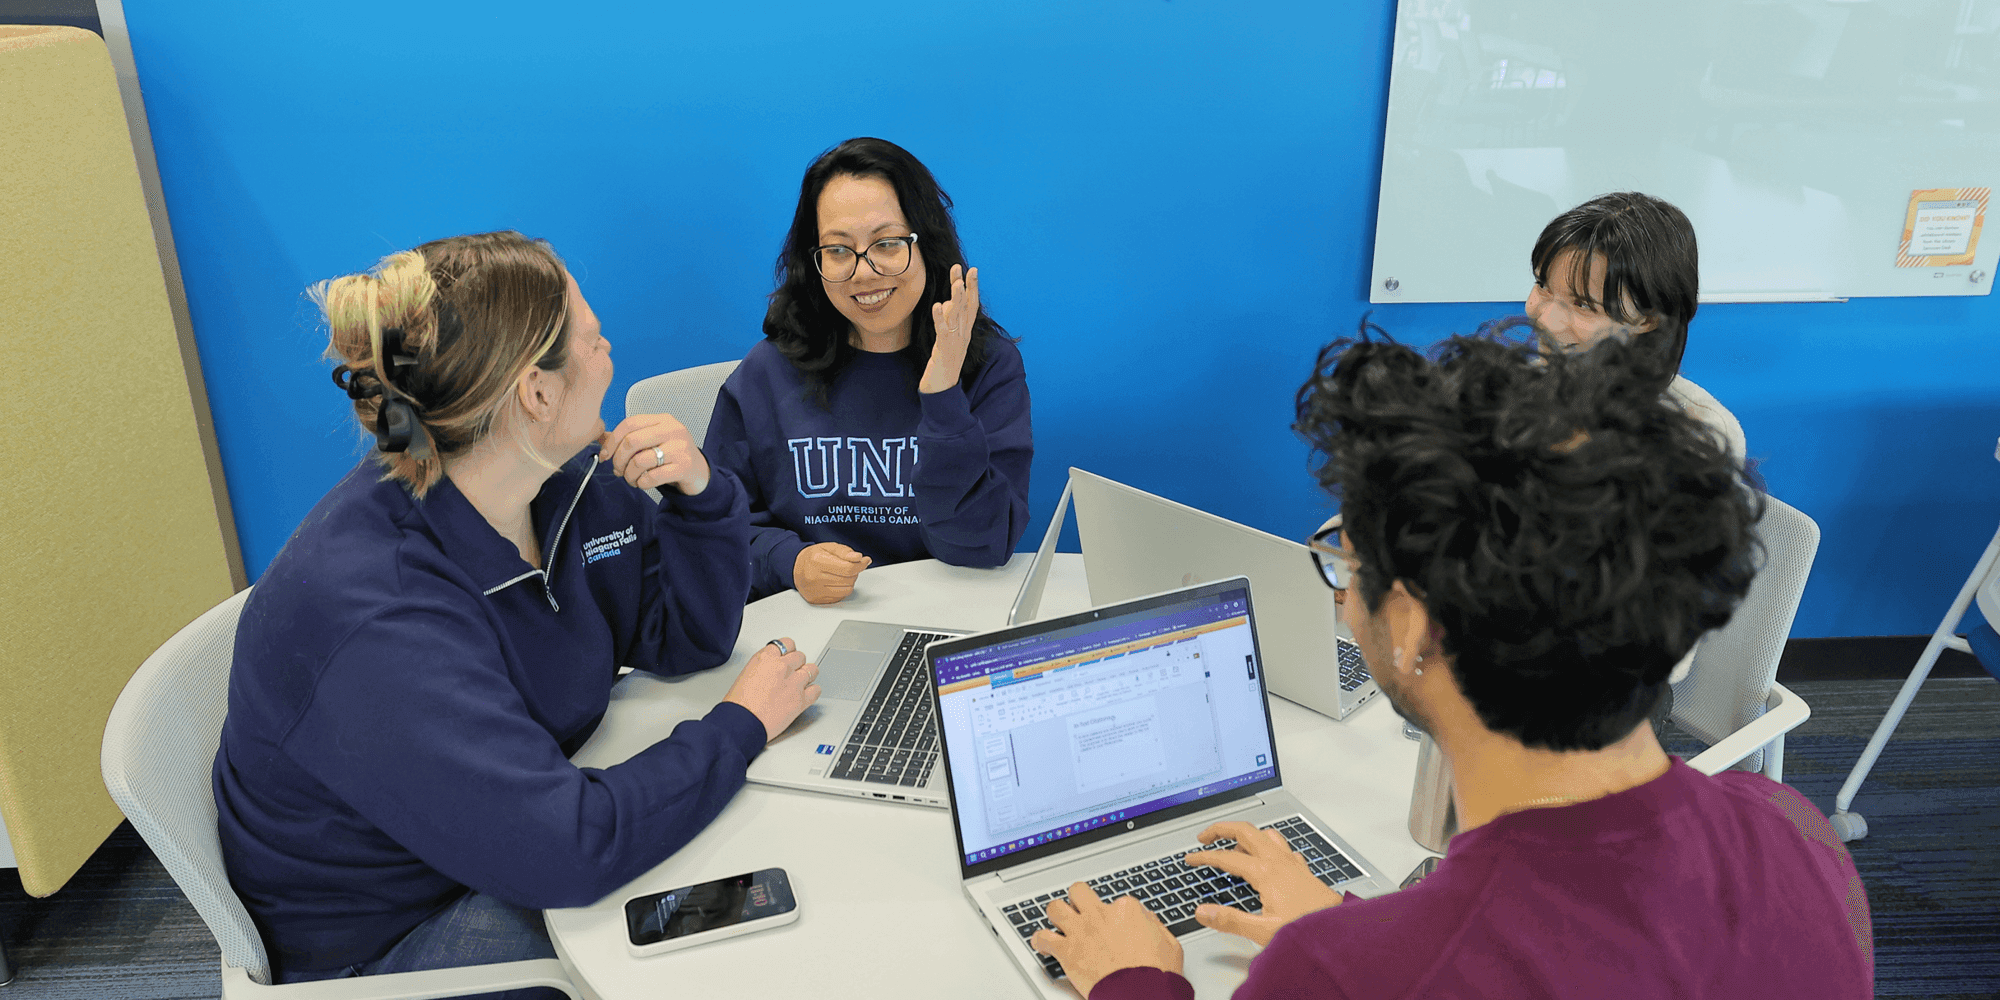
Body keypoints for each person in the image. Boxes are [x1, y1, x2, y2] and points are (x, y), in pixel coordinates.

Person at [1028, 330, 1873, 998]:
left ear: (1415, 623)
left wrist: (1138, 980)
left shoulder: (1338, 978)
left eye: (1347, 562)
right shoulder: (1795, 835)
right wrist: (1362, 928)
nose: (1339, 596)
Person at [213, 232, 821, 995]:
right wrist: (741, 726)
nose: (606, 345)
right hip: (395, 936)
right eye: (590, 335)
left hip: (513, 821)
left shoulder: (560, 482)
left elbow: (684, 639)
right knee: (721, 939)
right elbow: (569, 849)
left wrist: (701, 499)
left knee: (749, 869)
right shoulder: (377, 610)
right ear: (535, 392)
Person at [705, 137, 1033, 604]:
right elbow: (715, 525)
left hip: (947, 615)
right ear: (813, 260)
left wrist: (943, 395)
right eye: (838, 250)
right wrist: (790, 562)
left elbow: (980, 546)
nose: (864, 272)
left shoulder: (987, 366)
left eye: (887, 243)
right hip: (807, 624)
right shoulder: (767, 372)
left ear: (926, 243)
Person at [1524, 191, 1747, 460]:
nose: (1546, 320)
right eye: (1542, 287)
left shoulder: (1697, 437)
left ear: (1649, 318)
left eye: (1583, 305)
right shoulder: (1500, 396)